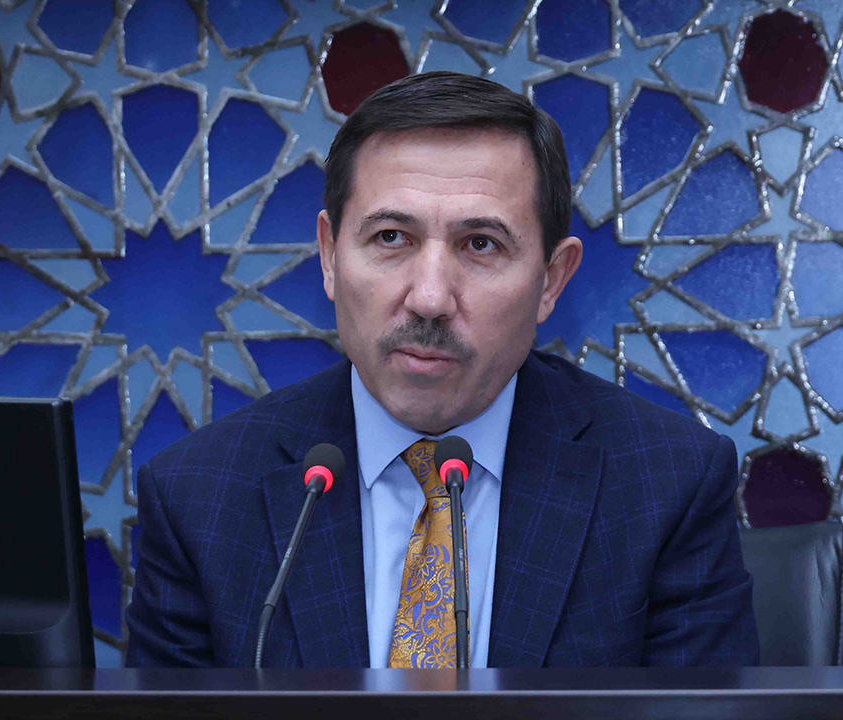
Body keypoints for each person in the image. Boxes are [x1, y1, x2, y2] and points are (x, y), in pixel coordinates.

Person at [125, 71, 758, 668]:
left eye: (481, 244)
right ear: (329, 256)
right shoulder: (197, 499)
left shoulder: (667, 485)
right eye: (391, 238)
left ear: (551, 279)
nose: (429, 298)